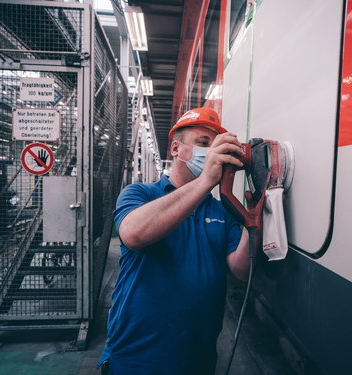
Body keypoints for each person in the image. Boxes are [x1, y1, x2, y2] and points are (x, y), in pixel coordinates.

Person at [98, 107, 250, 375]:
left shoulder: (222, 211)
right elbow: (133, 234)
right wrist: (206, 181)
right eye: (203, 144)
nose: (210, 152)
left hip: (198, 358)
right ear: (176, 149)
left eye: (215, 145)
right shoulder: (140, 194)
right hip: (137, 358)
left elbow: (240, 269)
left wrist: (253, 221)